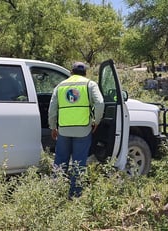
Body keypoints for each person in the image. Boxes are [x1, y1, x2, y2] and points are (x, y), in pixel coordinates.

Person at [48, 61, 104, 198]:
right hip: (83, 131)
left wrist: (53, 126)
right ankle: (75, 196)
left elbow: (52, 109)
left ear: (71, 72)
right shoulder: (89, 84)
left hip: (64, 130)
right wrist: (96, 121)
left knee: (60, 161)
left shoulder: (60, 86)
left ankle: (56, 192)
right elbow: (100, 103)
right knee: (79, 163)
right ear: (85, 72)